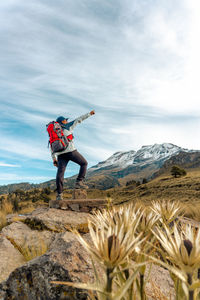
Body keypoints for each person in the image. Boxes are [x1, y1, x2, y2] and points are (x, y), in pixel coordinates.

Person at [51, 110, 95, 200]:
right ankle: (79, 182)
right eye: (65, 120)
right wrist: (89, 114)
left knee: (60, 173)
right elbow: (79, 119)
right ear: (63, 121)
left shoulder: (54, 132)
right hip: (71, 151)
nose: (67, 121)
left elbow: (52, 146)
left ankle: (59, 195)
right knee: (84, 163)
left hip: (60, 154)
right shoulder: (67, 126)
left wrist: (54, 159)